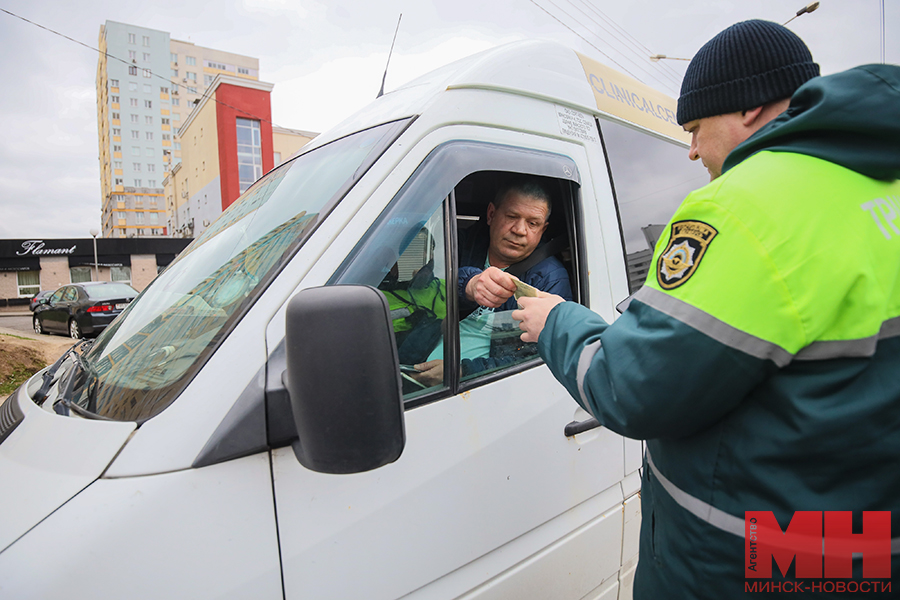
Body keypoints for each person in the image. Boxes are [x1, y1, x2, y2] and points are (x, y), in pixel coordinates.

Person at [513, 20, 900, 598]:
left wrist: (557, 321)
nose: (690, 150)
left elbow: (633, 387)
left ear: (748, 109)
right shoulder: (878, 187)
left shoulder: (748, 206)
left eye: (694, 128)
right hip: (859, 545)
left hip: (747, 563)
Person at [411, 178, 572, 386]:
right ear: (491, 214)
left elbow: (535, 358)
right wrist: (467, 285)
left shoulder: (551, 279)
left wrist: (460, 372)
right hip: (418, 356)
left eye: (533, 223)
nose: (520, 230)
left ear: (543, 229)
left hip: (474, 387)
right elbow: (424, 290)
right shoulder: (460, 243)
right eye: (512, 216)